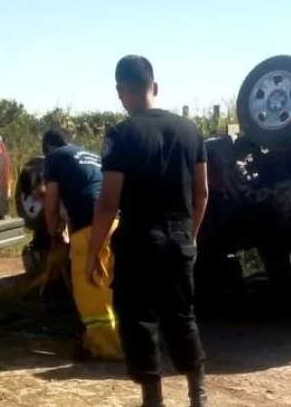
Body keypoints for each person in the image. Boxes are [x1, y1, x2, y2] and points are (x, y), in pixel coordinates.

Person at [85, 55, 210, 407]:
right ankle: (199, 397)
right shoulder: (190, 130)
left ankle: (153, 401)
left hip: (139, 241)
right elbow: (201, 193)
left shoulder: (121, 135)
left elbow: (108, 203)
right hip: (180, 237)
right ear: (154, 87)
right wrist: (192, 236)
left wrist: (92, 252)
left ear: (120, 91)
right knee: (183, 317)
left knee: (139, 320)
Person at [40, 128, 123, 361]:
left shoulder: (54, 158)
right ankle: (109, 341)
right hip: (116, 224)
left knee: (91, 291)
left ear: (48, 147)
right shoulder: (92, 156)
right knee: (111, 287)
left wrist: (53, 231)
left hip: (89, 229)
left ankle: (107, 349)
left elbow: (50, 204)